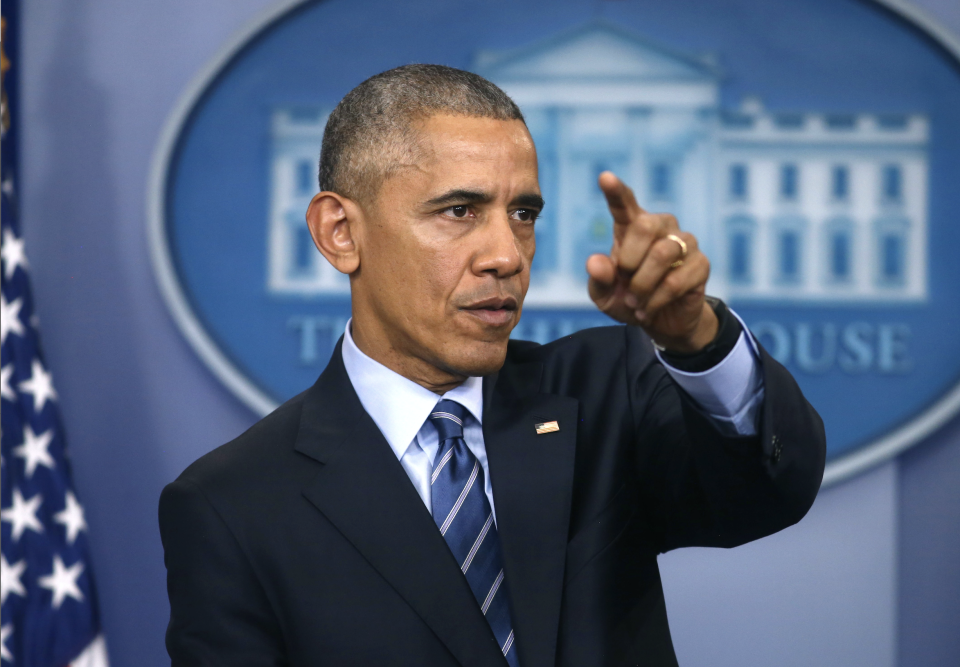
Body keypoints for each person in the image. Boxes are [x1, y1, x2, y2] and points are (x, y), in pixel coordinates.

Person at [159, 64, 825, 667]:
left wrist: (695, 337)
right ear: (341, 232)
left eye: (524, 214)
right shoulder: (231, 505)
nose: (507, 253)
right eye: (459, 211)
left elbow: (767, 491)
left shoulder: (604, 391)